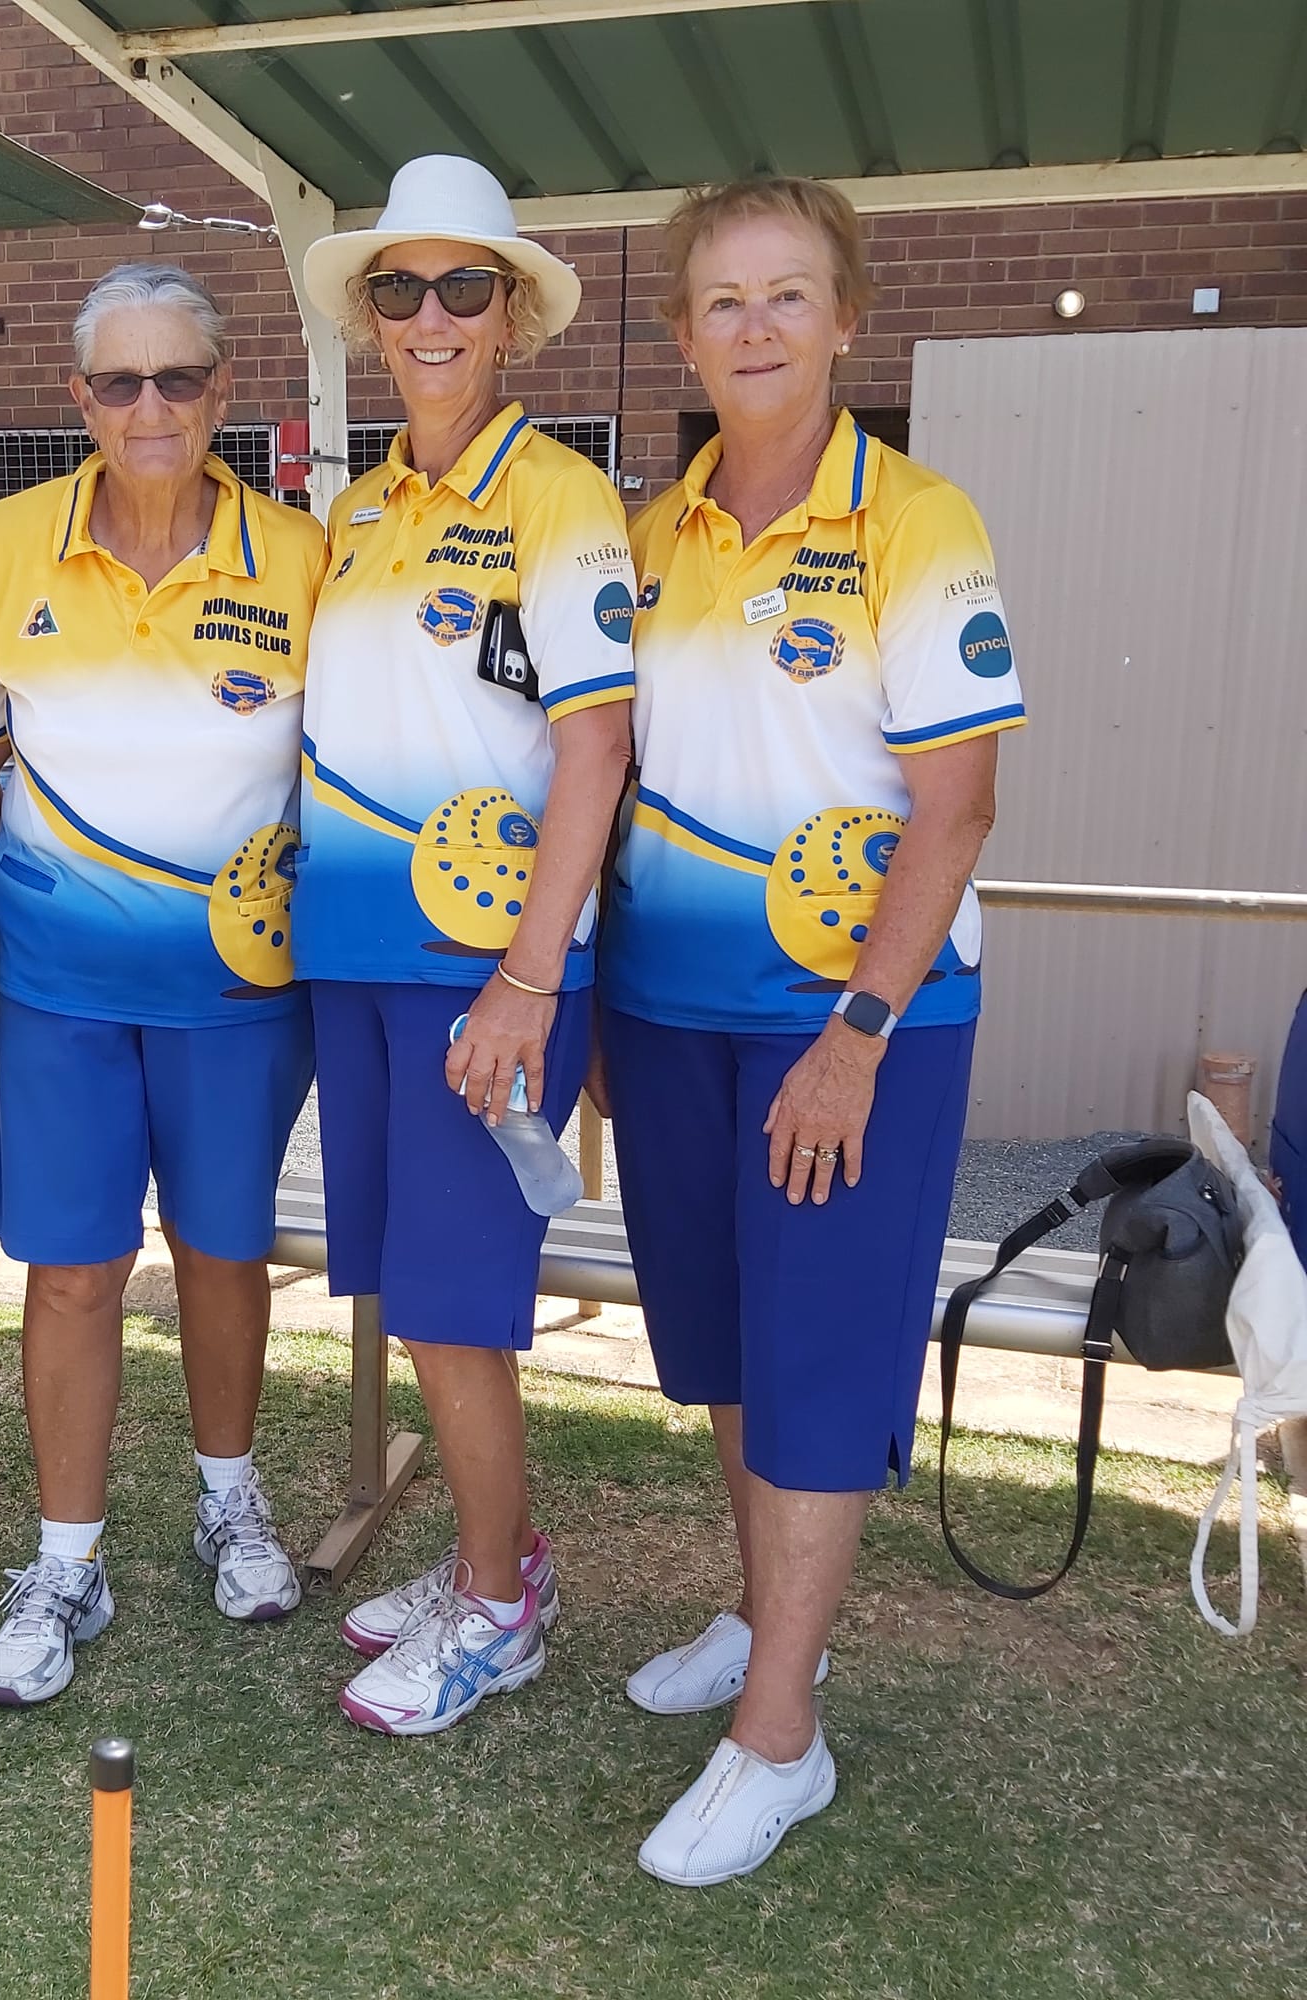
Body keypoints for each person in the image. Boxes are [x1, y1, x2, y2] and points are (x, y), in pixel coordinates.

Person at [597, 177, 1026, 1883]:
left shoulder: (919, 522)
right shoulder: (654, 527)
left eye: (788, 298)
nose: (755, 330)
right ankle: (777, 1622)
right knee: (720, 1351)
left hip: (854, 1026)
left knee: (823, 1369)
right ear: (684, 333)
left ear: (848, 320)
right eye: (722, 303)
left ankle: (782, 1735)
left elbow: (960, 809)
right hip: (671, 1007)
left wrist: (854, 1033)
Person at [293, 156, 637, 1734]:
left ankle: (499, 1606)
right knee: (408, 1287)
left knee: (457, 1294)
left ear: (511, 321)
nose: (430, 317)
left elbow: (597, 753)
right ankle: (499, 1558)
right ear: (371, 320)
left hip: (482, 978)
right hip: (357, 961)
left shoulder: (559, 500)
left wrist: (527, 977)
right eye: (401, 288)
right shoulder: (355, 511)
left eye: (464, 288)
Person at [0, 263, 327, 1707]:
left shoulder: (301, 557)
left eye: (179, 378)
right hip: (59, 988)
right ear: (80, 400)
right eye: (120, 381)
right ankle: (66, 1555)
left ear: (225, 393)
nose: (150, 406)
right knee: (72, 1269)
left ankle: (231, 1495)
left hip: (243, 993)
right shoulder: (3, 547)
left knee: (226, 1250)